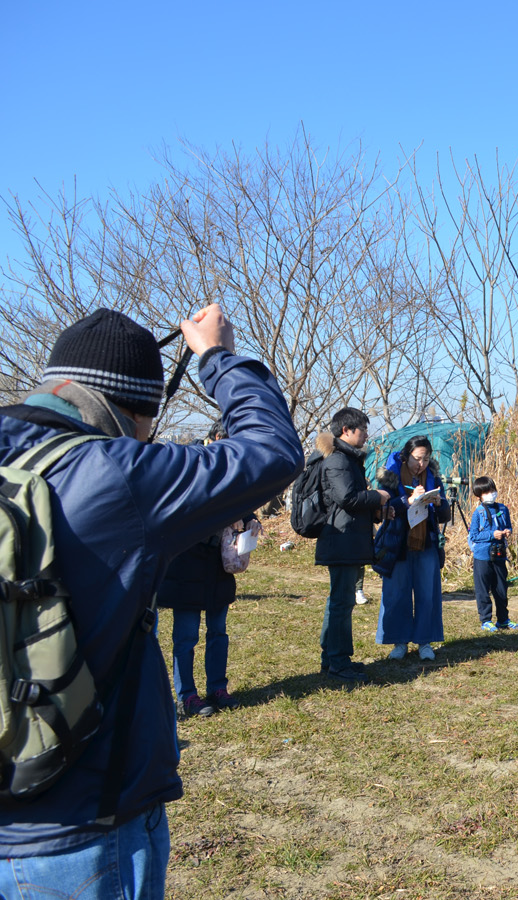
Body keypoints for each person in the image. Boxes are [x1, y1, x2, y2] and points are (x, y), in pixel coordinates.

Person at [0, 305, 302, 897]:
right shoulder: (116, 473)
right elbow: (271, 451)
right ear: (131, 410)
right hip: (82, 824)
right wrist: (217, 358)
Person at [159, 420, 261, 718]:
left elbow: (243, 505)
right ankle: (186, 696)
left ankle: (217, 688)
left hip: (219, 564)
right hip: (187, 562)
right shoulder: (187, 466)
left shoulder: (232, 471)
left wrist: (248, 518)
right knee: (186, 635)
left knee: (219, 630)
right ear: (217, 438)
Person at [314, 407, 390, 682]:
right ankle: (337, 662)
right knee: (341, 603)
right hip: (341, 540)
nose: (367, 434)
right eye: (363, 429)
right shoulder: (337, 461)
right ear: (347, 431)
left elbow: (350, 502)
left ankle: (333, 658)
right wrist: (377, 496)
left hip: (347, 538)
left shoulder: (348, 460)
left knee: (339, 601)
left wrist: (378, 509)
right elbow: (347, 498)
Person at [375, 436, 451, 661]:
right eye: (418, 459)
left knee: (427, 594)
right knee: (397, 593)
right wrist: (407, 500)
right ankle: (399, 642)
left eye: (426, 459)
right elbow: (382, 509)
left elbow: (446, 514)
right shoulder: (390, 475)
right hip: (398, 542)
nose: (422, 464)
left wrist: (438, 502)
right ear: (406, 455)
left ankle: (425, 641)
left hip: (426, 541)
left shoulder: (433, 476)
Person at [469, 476, 518, 632]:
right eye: (486, 492)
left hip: (499, 554)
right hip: (482, 556)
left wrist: (507, 531)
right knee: (483, 589)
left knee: (501, 588)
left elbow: (508, 525)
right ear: (479, 496)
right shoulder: (478, 513)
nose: (491, 494)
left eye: (492, 490)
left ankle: (503, 620)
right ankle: (486, 620)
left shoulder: (503, 509)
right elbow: (474, 536)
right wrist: (492, 535)